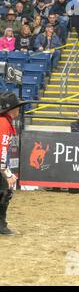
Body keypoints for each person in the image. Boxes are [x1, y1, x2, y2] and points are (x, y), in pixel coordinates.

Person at [0, 92, 28, 235]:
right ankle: (1, 225)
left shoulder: (4, 122)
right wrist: (7, 173)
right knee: (5, 190)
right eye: (17, 107)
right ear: (12, 109)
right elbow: (2, 151)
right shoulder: (4, 124)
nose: (19, 110)